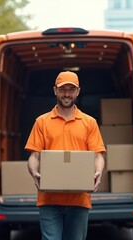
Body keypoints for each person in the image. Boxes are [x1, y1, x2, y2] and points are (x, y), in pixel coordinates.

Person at [25, 71, 106, 240]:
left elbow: (98, 155)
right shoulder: (42, 122)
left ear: (77, 91)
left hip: (79, 199)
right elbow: (34, 156)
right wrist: (34, 172)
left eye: (71, 89)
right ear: (55, 90)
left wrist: (98, 173)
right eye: (63, 89)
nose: (67, 94)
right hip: (49, 199)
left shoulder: (89, 122)